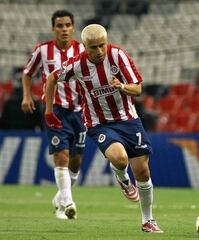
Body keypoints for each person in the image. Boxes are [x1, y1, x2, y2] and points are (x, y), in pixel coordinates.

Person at [44, 24, 163, 233]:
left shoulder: (118, 56)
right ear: (84, 47)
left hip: (129, 120)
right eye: (93, 48)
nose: (99, 51)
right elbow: (52, 77)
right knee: (119, 158)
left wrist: (122, 86)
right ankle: (123, 178)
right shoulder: (77, 64)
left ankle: (148, 221)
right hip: (98, 123)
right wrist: (48, 110)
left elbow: (138, 88)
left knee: (143, 172)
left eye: (102, 46)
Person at [21, 10, 86, 220]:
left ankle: (60, 197)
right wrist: (27, 96)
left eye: (68, 25)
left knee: (75, 162)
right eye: (60, 26)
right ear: (53, 29)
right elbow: (27, 73)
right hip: (54, 109)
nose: (64, 29)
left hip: (80, 111)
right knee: (62, 156)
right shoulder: (42, 51)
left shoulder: (83, 49)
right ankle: (66, 204)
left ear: (73, 28)